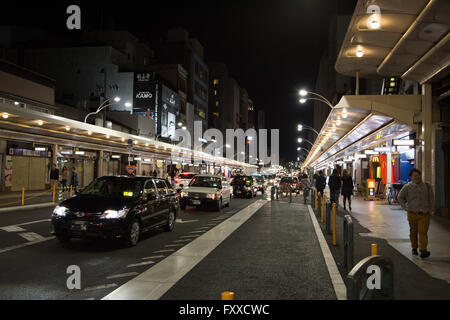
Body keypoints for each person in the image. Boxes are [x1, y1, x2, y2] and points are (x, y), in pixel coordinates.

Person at [397, 168, 434, 259]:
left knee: (423, 232)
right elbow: (400, 197)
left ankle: (423, 250)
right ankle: (414, 247)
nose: (417, 177)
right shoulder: (407, 187)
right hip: (412, 213)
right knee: (413, 232)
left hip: (424, 213)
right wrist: (405, 207)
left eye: (418, 175)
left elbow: (431, 198)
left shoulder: (427, 186)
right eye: (414, 176)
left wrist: (431, 208)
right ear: (411, 177)